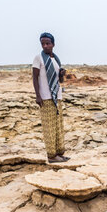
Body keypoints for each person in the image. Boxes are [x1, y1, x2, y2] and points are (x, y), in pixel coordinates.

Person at [32, 32, 69, 163]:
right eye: (43, 43)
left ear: (53, 44)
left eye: (48, 43)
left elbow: (60, 80)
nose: (45, 46)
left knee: (58, 126)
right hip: (46, 97)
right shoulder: (39, 58)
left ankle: (59, 153)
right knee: (49, 127)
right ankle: (51, 156)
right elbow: (35, 78)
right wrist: (38, 96)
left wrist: (61, 74)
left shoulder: (56, 59)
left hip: (57, 96)